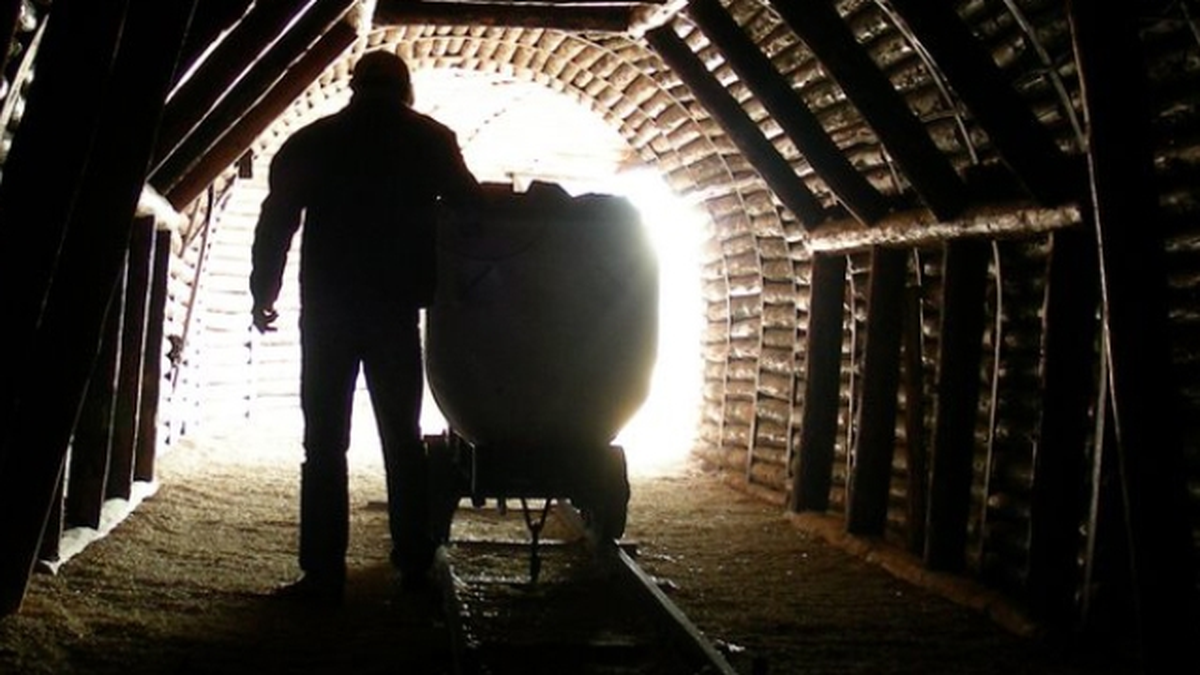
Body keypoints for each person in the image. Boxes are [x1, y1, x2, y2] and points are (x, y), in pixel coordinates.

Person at [249, 50, 481, 605]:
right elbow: (471, 213)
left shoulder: (314, 140)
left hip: (327, 310)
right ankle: (415, 565)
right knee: (402, 441)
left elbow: (277, 220)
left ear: (354, 87)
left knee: (324, 443)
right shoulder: (430, 140)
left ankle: (324, 575)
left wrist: (265, 292)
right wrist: (463, 297)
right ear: (406, 91)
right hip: (395, 311)